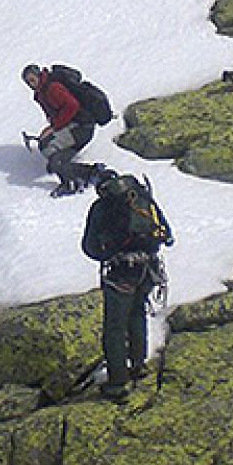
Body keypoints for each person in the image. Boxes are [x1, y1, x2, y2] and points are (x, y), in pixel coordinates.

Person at [80, 170, 173, 400]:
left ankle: (118, 382)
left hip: (121, 272)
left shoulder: (103, 206)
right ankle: (138, 364)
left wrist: (108, 250)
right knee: (137, 314)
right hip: (148, 270)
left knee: (114, 327)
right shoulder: (142, 197)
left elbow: (90, 247)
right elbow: (167, 234)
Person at [23, 64, 102, 197]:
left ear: (38, 75)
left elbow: (72, 106)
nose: (30, 84)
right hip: (77, 126)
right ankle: (70, 169)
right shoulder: (43, 90)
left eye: (32, 80)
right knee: (51, 151)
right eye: (27, 82)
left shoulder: (52, 88)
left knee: (48, 149)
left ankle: (75, 180)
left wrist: (54, 127)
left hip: (82, 128)